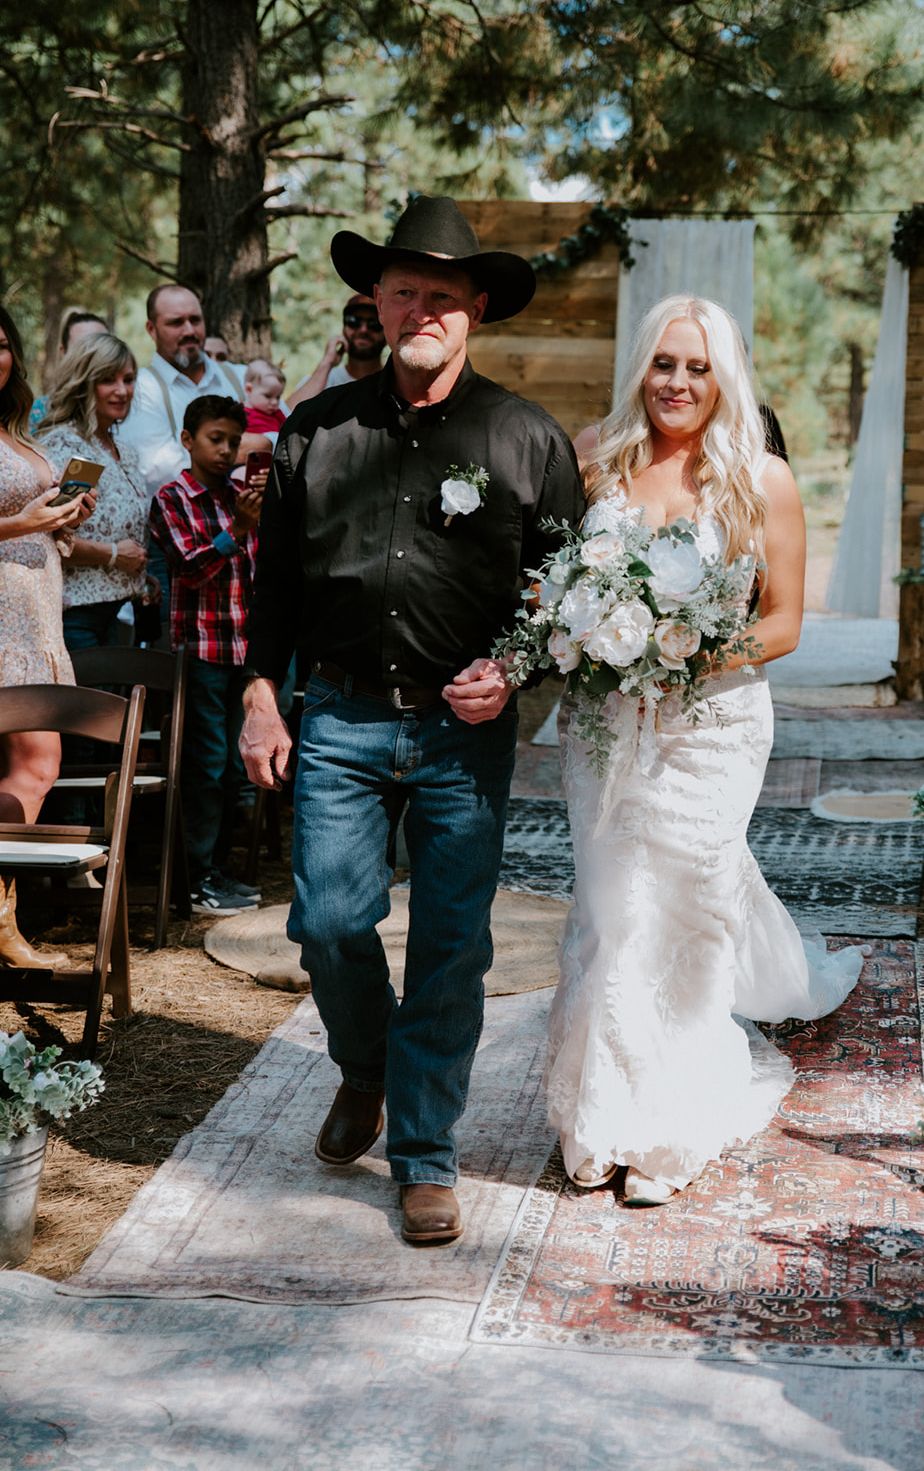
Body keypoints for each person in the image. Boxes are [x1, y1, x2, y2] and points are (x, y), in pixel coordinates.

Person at [240, 195, 584, 1248]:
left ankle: (425, 1154)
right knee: (332, 923)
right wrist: (260, 693)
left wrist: (516, 670)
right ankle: (365, 1067)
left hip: (460, 732)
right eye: (404, 290)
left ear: (475, 308)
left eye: (443, 294)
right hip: (337, 715)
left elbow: (570, 589)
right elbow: (277, 585)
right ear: (376, 302)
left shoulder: (524, 435)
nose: (422, 308)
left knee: (449, 946)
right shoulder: (316, 430)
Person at [543, 295, 865, 1206]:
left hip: (715, 727)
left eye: (696, 367)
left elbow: (785, 624)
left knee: (686, 912)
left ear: (724, 377)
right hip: (606, 728)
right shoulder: (596, 461)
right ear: (639, 368)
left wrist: (672, 653)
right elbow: (552, 583)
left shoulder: (761, 479)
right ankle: (598, 1116)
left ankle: (668, 1127)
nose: (677, 383)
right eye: (662, 364)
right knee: (612, 911)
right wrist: (582, 636)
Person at [0, 302, 94, 968]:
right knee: (38, 762)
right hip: (3, 618)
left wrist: (63, 516)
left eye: (2, 345)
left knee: (28, 765)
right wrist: (19, 527)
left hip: (36, 613)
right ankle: (1, 926)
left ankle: (1, 923)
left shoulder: (12, 431)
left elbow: (30, 516)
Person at [149, 396, 266, 916]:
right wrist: (237, 531)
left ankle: (217, 873)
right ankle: (195, 880)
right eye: (215, 439)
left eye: (233, 442)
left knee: (235, 769)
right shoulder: (173, 498)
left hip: (244, 650)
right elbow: (189, 570)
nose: (225, 451)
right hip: (198, 651)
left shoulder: (242, 496)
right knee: (205, 767)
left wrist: (260, 521)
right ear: (188, 440)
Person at [37, 334, 156, 651]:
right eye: (107, 380)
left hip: (117, 612)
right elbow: (49, 536)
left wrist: (141, 576)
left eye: (128, 379)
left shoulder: (125, 452)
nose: (122, 390)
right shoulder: (69, 447)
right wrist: (114, 555)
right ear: (84, 384)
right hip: (75, 616)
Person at [122, 285, 245, 499]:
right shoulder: (140, 388)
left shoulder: (241, 377)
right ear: (152, 329)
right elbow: (158, 469)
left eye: (195, 320)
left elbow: (285, 440)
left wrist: (266, 442)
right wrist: (248, 450)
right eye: (176, 323)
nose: (189, 331)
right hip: (184, 525)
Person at [286, 289, 387, 408]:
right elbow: (286, 418)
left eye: (374, 324)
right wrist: (326, 364)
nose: (363, 330)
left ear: (386, 332)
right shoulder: (323, 379)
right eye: (354, 321)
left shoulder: (397, 383)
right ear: (344, 329)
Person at [29, 308, 110, 431]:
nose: (93, 357)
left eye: (102, 347)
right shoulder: (37, 414)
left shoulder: (122, 407)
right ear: (64, 352)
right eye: (83, 348)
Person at [241, 359, 288, 442]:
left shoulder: (277, 414)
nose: (275, 402)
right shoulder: (240, 414)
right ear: (249, 390)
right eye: (268, 396)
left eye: (278, 397)